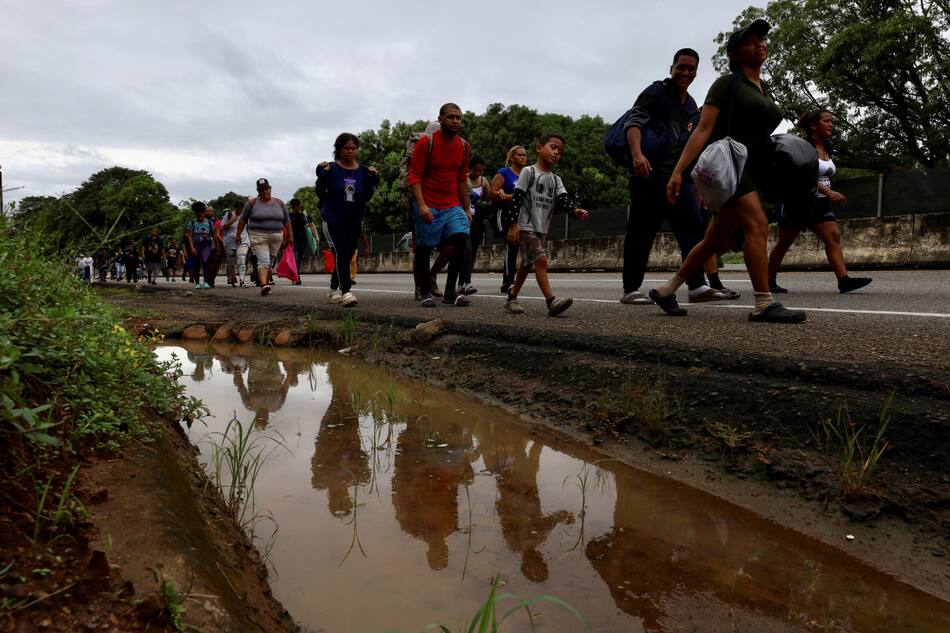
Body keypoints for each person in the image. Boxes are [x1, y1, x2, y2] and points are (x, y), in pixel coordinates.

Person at [651, 19, 806, 323]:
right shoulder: (727, 83)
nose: (759, 43)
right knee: (757, 225)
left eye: (761, 39)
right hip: (733, 165)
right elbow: (703, 129)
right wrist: (678, 172)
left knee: (716, 239)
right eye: (750, 41)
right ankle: (763, 302)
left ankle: (667, 289)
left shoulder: (761, 87)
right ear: (735, 54)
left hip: (755, 165)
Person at [621, 48, 733, 305]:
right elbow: (634, 122)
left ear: (696, 72)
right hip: (649, 173)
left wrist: (695, 182)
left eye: (691, 69)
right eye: (681, 67)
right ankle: (630, 289)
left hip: (678, 176)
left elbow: (690, 145)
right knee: (641, 231)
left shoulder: (691, 104)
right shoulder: (656, 92)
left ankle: (696, 286)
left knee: (693, 228)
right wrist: (637, 154)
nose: (685, 72)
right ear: (671, 68)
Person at [768, 110, 872, 294]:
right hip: (797, 201)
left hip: (820, 203)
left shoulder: (827, 148)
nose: (831, 124)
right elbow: (802, 176)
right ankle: (768, 281)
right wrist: (830, 192)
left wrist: (827, 194)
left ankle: (844, 280)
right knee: (784, 242)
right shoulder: (803, 147)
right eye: (827, 121)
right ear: (814, 126)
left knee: (833, 236)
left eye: (831, 121)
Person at [502, 133, 589, 316]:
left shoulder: (556, 179)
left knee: (527, 264)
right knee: (540, 260)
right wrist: (513, 224)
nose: (556, 152)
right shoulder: (529, 172)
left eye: (560, 151)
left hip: (542, 227)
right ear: (539, 148)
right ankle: (551, 301)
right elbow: (516, 199)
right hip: (526, 225)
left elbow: (563, 200)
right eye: (553, 147)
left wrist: (575, 210)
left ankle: (512, 296)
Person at [408, 103, 473, 307]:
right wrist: (421, 205)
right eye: (451, 117)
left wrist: (466, 206)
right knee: (424, 249)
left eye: (459, 117)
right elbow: (415, 176)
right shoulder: (426, 143)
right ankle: (425, 291)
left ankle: (449, 292)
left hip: (452, 205)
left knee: (461, 239)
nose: (455, 121)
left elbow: (461, 179)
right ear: (441, 119)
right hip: (428, 203)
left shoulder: (464, 146)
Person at [316, 132, 379, 307]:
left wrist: (373, 177)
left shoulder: (363, 171)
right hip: (333, 218)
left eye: (353, 148)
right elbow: (320, 192)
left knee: (348, 254)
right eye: (346, 148)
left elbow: (367, 195)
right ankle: (346, 291)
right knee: (341, 252)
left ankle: (333, 287)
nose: (350, 151)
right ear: (338, 149)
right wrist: (323, 175)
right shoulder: (330, 169)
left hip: (355, 219)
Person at [236, 178, 292, 296]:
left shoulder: (279, 203)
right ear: (258, 191)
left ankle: (265, 283)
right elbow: (243, 220)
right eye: (262, 190)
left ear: (270, 189)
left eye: (267, 189)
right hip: (258, 236)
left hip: (276, 236)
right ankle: (263, 284)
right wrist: (238, 235)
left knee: (270, 262)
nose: (265, 191)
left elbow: (287, 221)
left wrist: (290, 236)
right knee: (263, 261)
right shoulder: (252, 203)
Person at [490, 146, 528, 294]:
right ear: (511, 158)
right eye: (520, 155)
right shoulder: (504, 172)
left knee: (520, 246)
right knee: (511, 244)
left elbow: (526, 197)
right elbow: (493, 194)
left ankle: (514, 280)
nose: (523, 157)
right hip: (504, 213)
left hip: (521, 215)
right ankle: (507, 282)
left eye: (525, 155)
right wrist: (502, 196)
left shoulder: (527, 175)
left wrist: (508, 196)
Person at [457, 155, 490, 296]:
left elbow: (491, 197)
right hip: (463, 219)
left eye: (480, 171)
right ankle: (464, 282)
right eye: (475, 170)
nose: (478, 173)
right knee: (467, 250)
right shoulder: (462, 180)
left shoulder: (483, 181)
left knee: (473, 251)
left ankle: (463, 283)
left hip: (477, 220)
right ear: (469, 168)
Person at [288, 198, 319, 286]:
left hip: (303, 240)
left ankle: (295, 276)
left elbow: (312, 226)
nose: (294, 209)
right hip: (293, 240)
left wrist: (316, 237)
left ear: (299, 206)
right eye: (293, 207)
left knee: (299, 258)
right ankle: (297, 277)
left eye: (295, 207)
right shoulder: (290, 216)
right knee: (296, 258)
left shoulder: (305, 215)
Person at [185, 201, 215, 289]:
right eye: (198, 216)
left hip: (206, 244)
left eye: (201, 215)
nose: (200, 217)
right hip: (196, 245)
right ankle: (197, 282)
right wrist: (192, 248)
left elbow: (213, 235)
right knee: (196, 263)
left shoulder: (209, 223)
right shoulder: (192, 223)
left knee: (206, 261)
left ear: (204, 213)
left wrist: (217, 246)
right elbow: (189, 236)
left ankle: (206, 282)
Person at [219, 201, 250, 287]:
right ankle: (230, 280)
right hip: (229, 242)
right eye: (238, 210)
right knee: (230, 262)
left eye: (241, 210)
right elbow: (222, 228)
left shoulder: (246, 215)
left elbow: (250, 227)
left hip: (242, 240)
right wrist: (231, 221)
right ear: (235, 208)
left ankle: (242, 280)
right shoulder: (228, 215)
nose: (239, 211)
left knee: (241, 259)